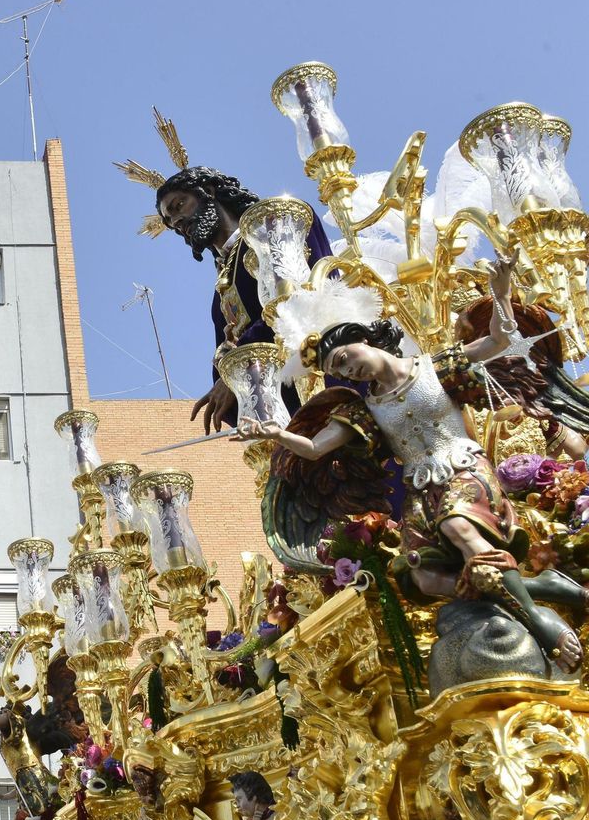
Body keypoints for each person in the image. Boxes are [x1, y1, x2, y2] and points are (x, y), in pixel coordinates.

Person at [241, 264, 589, 672]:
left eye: (344, 358)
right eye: (337, 371)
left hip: (463, 469)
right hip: (423, 487)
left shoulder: (437, 367)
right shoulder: (364, 409)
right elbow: (316, 448)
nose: (346, 371)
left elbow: (498, 339)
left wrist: (501, 290)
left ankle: (541, 627)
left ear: (364, 338)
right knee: (423, 578)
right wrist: (275, 434)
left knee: (459, 530)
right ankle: (542, 587)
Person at [151, 167, 332, 434]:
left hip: (325, 375)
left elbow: (298, 300)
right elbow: (224, 368)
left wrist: (240, 357)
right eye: (170, 221)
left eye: (179, 205)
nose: (178, 221)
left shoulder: (274, 226)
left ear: (209, 192)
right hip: (284, 415)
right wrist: (225, 362)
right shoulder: (219, 297)